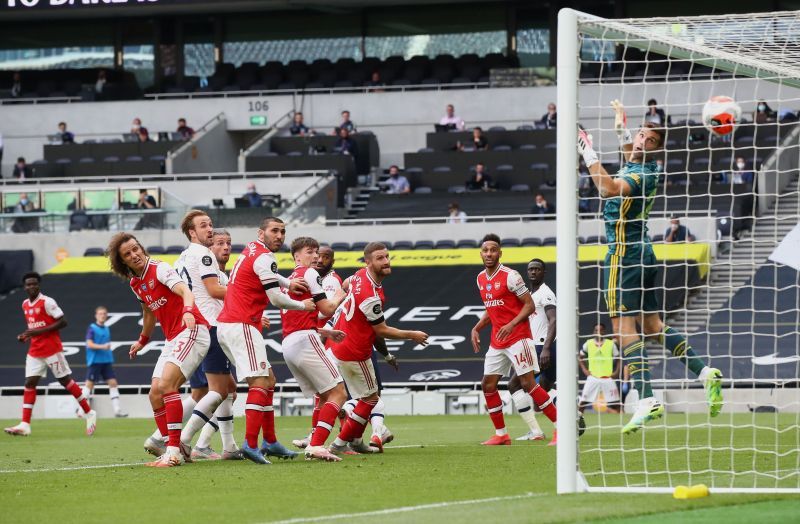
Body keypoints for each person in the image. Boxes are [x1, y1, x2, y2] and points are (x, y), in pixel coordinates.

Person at [576, 99, 723, 434]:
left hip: (623, 254)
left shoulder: (642, 174)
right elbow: (630, 151)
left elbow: (608, 188)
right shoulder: (640, 163)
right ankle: (704, 372)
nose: (641, 141)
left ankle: (645, 399)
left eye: (649, 140)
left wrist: (587, 151)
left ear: (657, 150)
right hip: (645, 253)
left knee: (623, 330)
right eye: (641, 135)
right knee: (654, 326)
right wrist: (622, 127)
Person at [216, 217, 315, 464]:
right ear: (262, 233)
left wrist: (288, 282)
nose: (279, 235)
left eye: (282, 231)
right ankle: (251, 444)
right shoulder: (265, 257)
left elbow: (267, 274)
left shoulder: (252, 249)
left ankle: (270, 441)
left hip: (230, 324)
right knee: (260, 382)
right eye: (274, 231)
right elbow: (277, 300)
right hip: (242, 325)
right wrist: (302, 305)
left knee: (268, 379)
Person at [108, 232, 211, 467]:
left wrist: (187, 310)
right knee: (155, 393)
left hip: (192, 329)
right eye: (128, 253)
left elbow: (186, 291)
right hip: (172, 337)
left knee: (167, 386)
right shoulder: (136, 283)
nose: (135, 255)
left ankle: (174, 451)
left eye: (136, 249)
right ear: (122, 261)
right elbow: (149, 312)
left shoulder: (160, 269)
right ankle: (172, 448)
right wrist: (142, 340)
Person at [328, 242, 429, 455]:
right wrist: (412, 335)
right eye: (380, 258)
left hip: (340, 345)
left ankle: (355, 441)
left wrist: (344, 306)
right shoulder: (371, 295)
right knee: (372, 398)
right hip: (355, 351)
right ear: (368, 262)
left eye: (386, 257)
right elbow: (381, 330)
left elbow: (345, 285)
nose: (386, 262)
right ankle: (339, 443)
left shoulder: (359, 275)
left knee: (357, 398)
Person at [169, 211, 243, 462]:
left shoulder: (183, 257)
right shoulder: (203, 254)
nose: (210, 229)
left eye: (211, 224)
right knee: (219, 390)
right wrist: (247, 298)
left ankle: (228, 445)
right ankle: (182, 441)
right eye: (204, 226)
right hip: (210, 325)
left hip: (194, 327)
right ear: (192, 232)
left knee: (219, 390)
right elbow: (213, 290)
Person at [470, 235, 557, 445]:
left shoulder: (512, 276)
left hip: (519, 337)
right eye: (485, 250)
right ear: (481, 253)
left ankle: (560, 429)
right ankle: (501, 434)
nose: (489, 253)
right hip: (497, 340)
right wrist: (477, 327)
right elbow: (492, 309)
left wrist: (511, 324)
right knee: (488, 384)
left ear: (500, 253)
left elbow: (528, 305)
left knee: (528, 383)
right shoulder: (480, 278)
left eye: (493, 250)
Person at [281, 237, 350, 461]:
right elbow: (328, 308)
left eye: (316, 253)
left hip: (289, 343)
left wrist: (326, 332)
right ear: (297, 256)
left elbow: (312, 314)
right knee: (339, 392)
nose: (316, 258)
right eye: (310, 252)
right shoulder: (309, 274)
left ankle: (313, 441)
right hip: (305, 340)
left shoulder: (289, 279)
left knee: (323, 394)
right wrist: (342, 292)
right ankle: (317, 444)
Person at [4, 272, 97, 437]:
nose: (31, 286)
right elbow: (33, 327)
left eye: (34, 284)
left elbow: (63, 322)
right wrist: (25, 335)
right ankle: (25, 424)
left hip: (52, 350)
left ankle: (89, 412)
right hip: (34, 351)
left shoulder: (47, 302)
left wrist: (36, 331)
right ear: (25, 287)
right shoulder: (25, 304)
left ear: (38, 285)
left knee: (65, 381)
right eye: (28, 284)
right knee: (30, 383)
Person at [189, 228, 244, 460]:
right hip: (208, 332)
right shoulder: (210, 276)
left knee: (225, 391)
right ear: (209, 248)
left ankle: (210, 444)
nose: (225, 247)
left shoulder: (224, 277)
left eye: (228, 243)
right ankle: (171, 439)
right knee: (216, 392)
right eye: (219, 243)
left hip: (209, 332)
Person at [510, 258, 558, 443]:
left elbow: (554, 320)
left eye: (537, 269)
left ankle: (536, 431)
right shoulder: (530, 294)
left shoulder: (545, 293)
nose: (533, 272)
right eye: (530, 269)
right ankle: (573, 416)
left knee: (515, 385)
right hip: (539, 346)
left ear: (543, 273)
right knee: (542, 394)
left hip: (541, 347)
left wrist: (546, 347)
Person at [84, 306, 127, 418]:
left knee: (113, 383)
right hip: (95, 361)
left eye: (104, 313)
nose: (103, 315)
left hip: (106, 361)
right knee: (89, 385)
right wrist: (103, 346)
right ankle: (81, 409)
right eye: (100, 313)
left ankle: (117, 410)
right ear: (96, 315)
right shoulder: (92, 328)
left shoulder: (106, 328)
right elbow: (89, 344)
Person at [579, 324, 621, 414]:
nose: (598, 332)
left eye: (600, 330)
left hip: (607, 378)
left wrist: (617, 372)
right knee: (583, 402)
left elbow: (618, 359)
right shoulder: (588, 343)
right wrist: (584, 370)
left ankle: (621, 419)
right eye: (596, 330)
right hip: (593, 377)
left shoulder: (611, 344)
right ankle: (578, 419)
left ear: (604, 331)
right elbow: (580, 356)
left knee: (617, 404)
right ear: (593, 332)